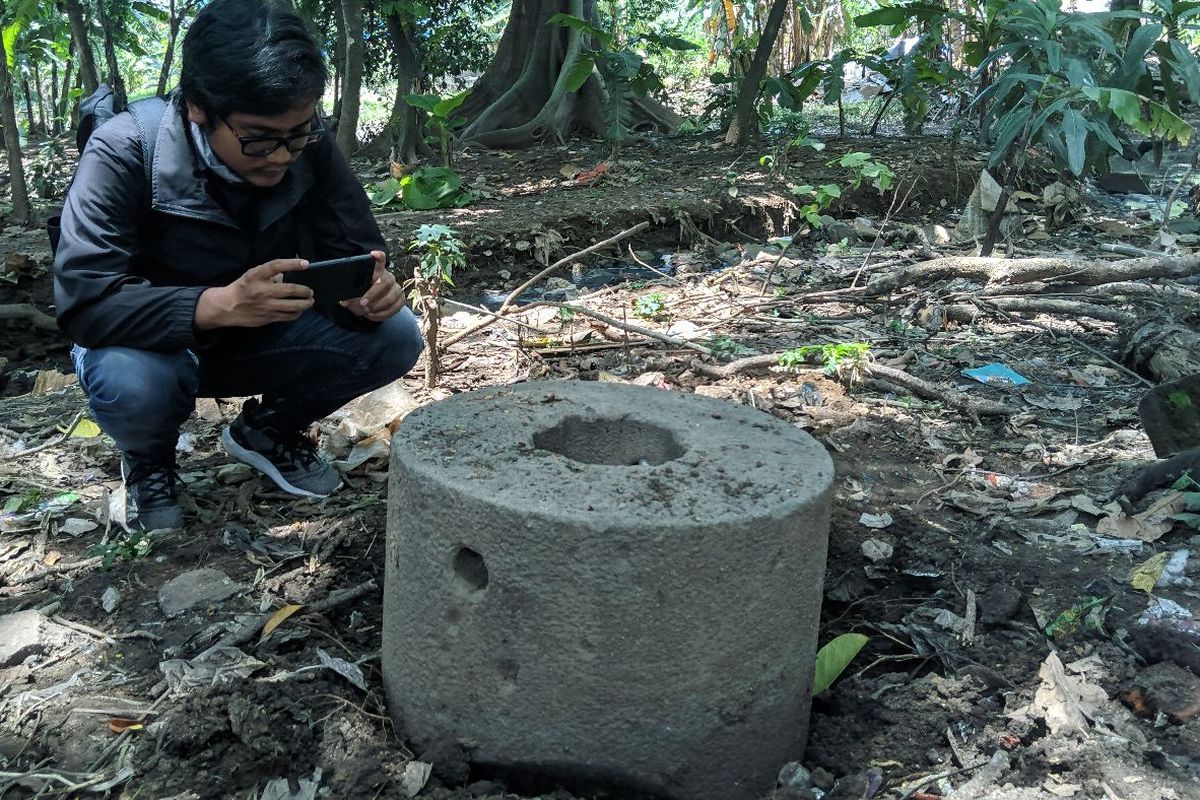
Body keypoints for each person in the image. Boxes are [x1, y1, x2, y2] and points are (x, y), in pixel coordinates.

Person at [52, 0, 423, 531]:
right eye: (258, 138)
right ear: (199, 108)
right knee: (133, 380)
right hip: (154, 349)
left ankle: (270, 429)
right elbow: (87, 302)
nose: (280, 156)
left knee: (395, 335)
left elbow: (358, 252)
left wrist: (372, 292)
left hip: (265, 338)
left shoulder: (307, 149)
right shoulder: (125, 150)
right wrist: (218, 304)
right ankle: (149, 458)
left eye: (297, 133)